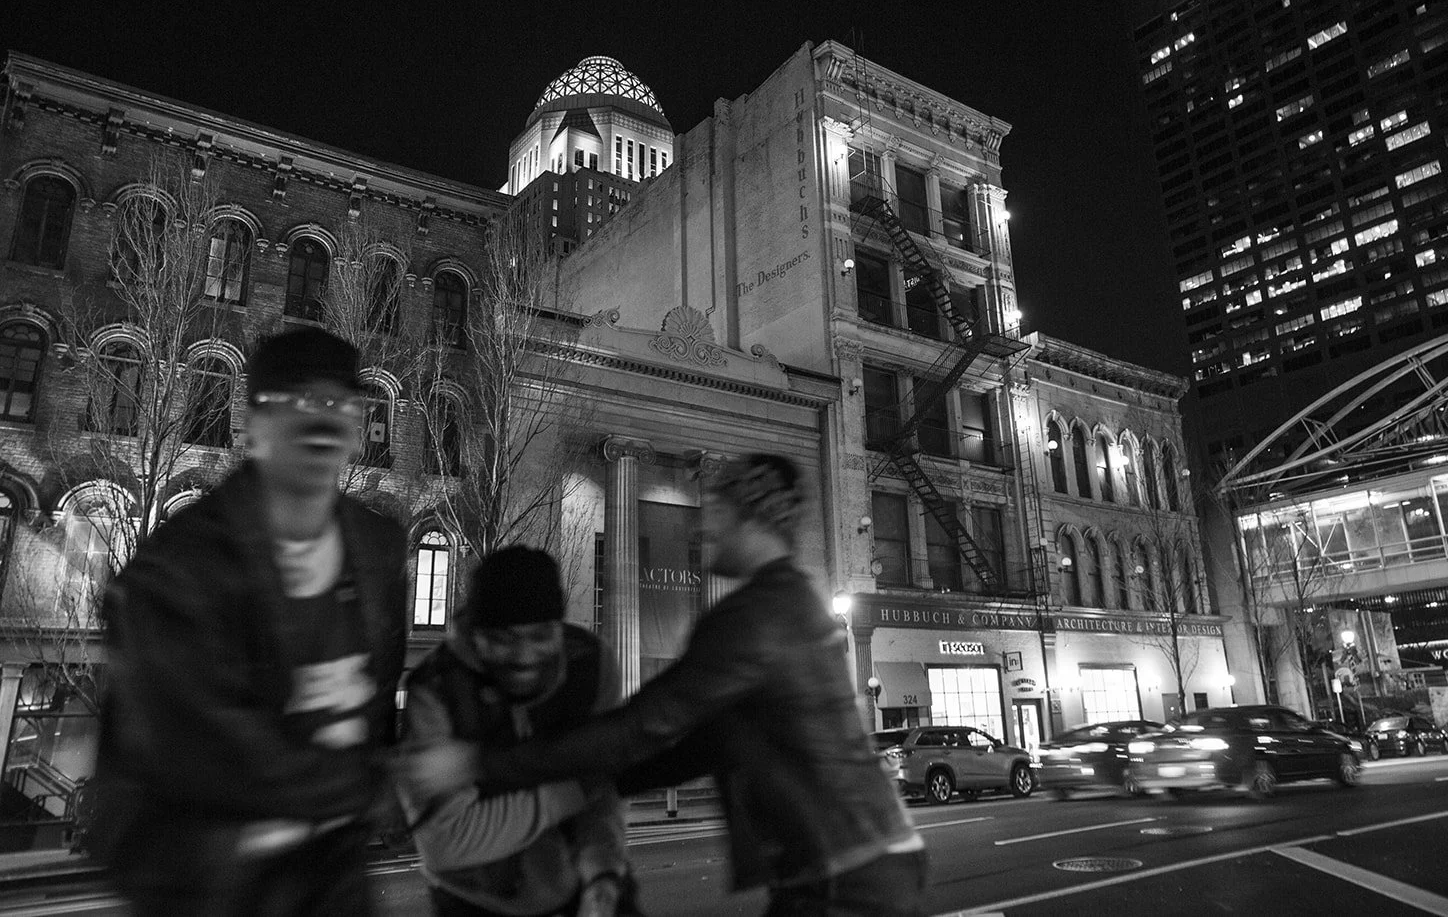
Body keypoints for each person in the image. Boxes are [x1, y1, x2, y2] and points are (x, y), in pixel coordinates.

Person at [404, 454, 926, 916]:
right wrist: (599, 787)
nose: (703, 529)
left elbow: (643, 727)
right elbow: (703, 744)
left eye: (716, 511)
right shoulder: (790, 602)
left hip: (844, 870)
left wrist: (478, 764)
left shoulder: (752, 618)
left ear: (752, 518)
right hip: (860, 857)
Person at [92, 327, 409, 916]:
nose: (321, 418)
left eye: (339, 402)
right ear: (254, 424)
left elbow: (376, 693)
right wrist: (387, 783)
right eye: (295, 400)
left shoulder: (378, 548)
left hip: (333, 877)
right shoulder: (180, 568)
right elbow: (208, 753)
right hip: (209, 883)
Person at [397, 545, 633, 917]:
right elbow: (444, 841)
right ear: (476, 633)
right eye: (504, 639)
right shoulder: (436, 688)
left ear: (559, 627)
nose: (524, 656)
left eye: (540, 635)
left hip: (587, 880)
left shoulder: (591, 663)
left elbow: (604, 789)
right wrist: (576, 787)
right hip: (478, 902)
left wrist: (602, 869)